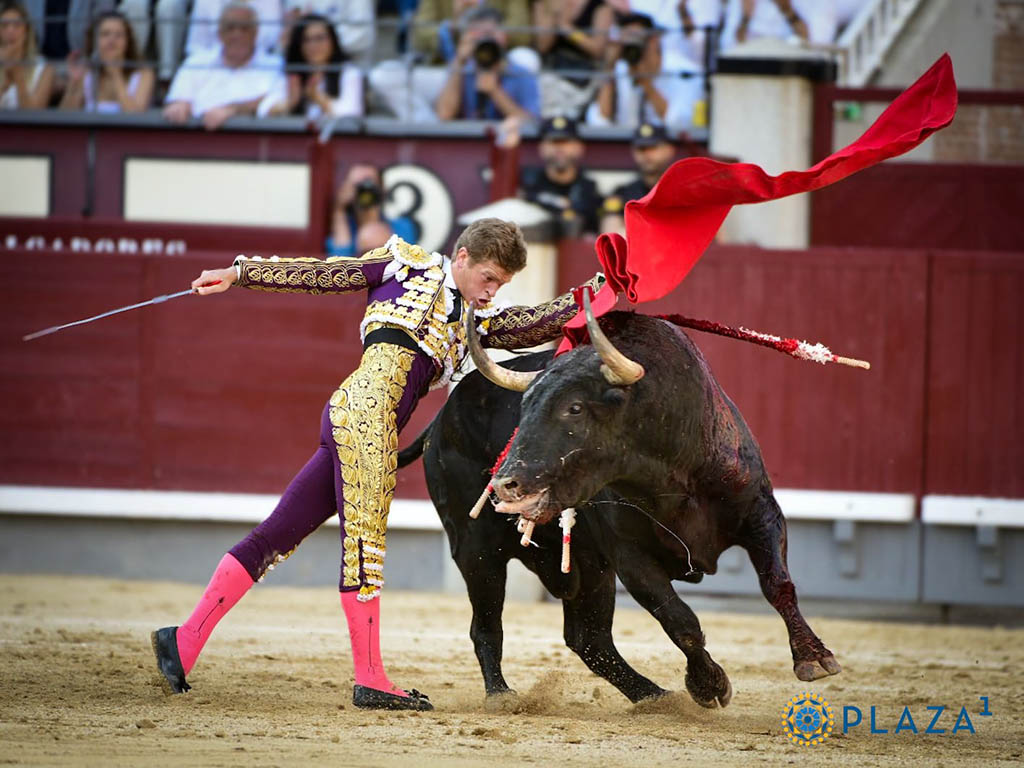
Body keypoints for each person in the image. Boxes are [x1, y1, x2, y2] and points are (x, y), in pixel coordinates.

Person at [151, 218, 604, 710]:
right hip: (366, 414)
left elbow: (533, 323)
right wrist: (240, 273)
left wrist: (600, 289)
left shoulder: (477, 319)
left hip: (366, 420)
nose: (491, 291)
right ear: (463, 258)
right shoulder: (405, 265)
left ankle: (183, 640)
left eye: (502, 285)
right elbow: (324, 274)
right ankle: (370, 678)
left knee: (277, 534)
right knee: (365, 545)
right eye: (489, 277)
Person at [163, 2, 284, 130]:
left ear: (256, 32)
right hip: (197, 139)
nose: (237, 34)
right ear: (220, 33)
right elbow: (179, 99)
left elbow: (277, 102)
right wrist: (179, 105)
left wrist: (233, 110)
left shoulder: (275, 66)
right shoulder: (195, 63)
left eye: (244, 28)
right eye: (230, 28)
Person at [585, 12, 702, 132]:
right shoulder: (620, 70)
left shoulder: (685, 71)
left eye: (636, 41)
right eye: (627, 44)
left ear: (653, 40)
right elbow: (598, 123)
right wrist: (609, 68)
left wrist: (646, 83)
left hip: (666, 145)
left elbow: (680, 124)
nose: (632, 49)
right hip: (626, 144)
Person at [434, 5, 539, 121]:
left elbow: (531, 123)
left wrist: (495, 92)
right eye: (479, 36)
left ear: (504, 36)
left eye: (490, 34)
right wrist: (459, 60)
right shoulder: (461, 70)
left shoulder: (521, 74)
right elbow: (444, 115)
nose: (486, 41)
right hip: (470, 137)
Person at [262, 12, 362, 119]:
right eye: (306, 40)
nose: (313, 45)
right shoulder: (293, 73)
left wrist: (318, 98)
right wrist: (290, 103)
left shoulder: (348, 72)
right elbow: (263, 110)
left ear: (333, 41)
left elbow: (352, 114)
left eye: (319, 38)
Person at [518, 116, 602, 237]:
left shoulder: (589, 189)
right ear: (541, 147)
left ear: (579, 147)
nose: (559, 148)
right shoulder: (528, 185)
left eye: (565, 142)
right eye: (554, 142)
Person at [59, 10, 154, 112]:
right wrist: (74, 83)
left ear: (128, 41)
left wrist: (116, 75)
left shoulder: (144, 74)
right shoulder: (85, 71)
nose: (112, 40)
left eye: (119, 35)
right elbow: (65, 117)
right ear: (94, 40)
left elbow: (136, 118)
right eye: (105, 34)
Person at [532, 0, 613, 118]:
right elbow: (543, 45)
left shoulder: (601, 7)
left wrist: (569, 30)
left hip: (583, 77)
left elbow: (598, 49)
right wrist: (554, 16)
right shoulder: (545, 3)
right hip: (550, 74)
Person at [600, 121, 676, 235]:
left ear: (669, 150)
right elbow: (611, 234)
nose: (647, 154)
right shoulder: (623, 194)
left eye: (653, 148)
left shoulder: (681, 193)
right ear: (633, 152)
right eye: (641, 149)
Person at [326, 164, 417, 257]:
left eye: (369, 181)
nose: (365, 188)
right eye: (357, 184)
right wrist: (340, 209)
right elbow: (339, 260)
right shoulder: (344, 229)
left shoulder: (402, 227)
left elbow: (406, 260)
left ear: (382, 188)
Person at [0, 0, 54, 109]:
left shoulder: (45, 68)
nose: (10, 30)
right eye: (4, 25)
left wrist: (18, 77)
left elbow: (34, 116)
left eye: (17, 25)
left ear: (27, 30)